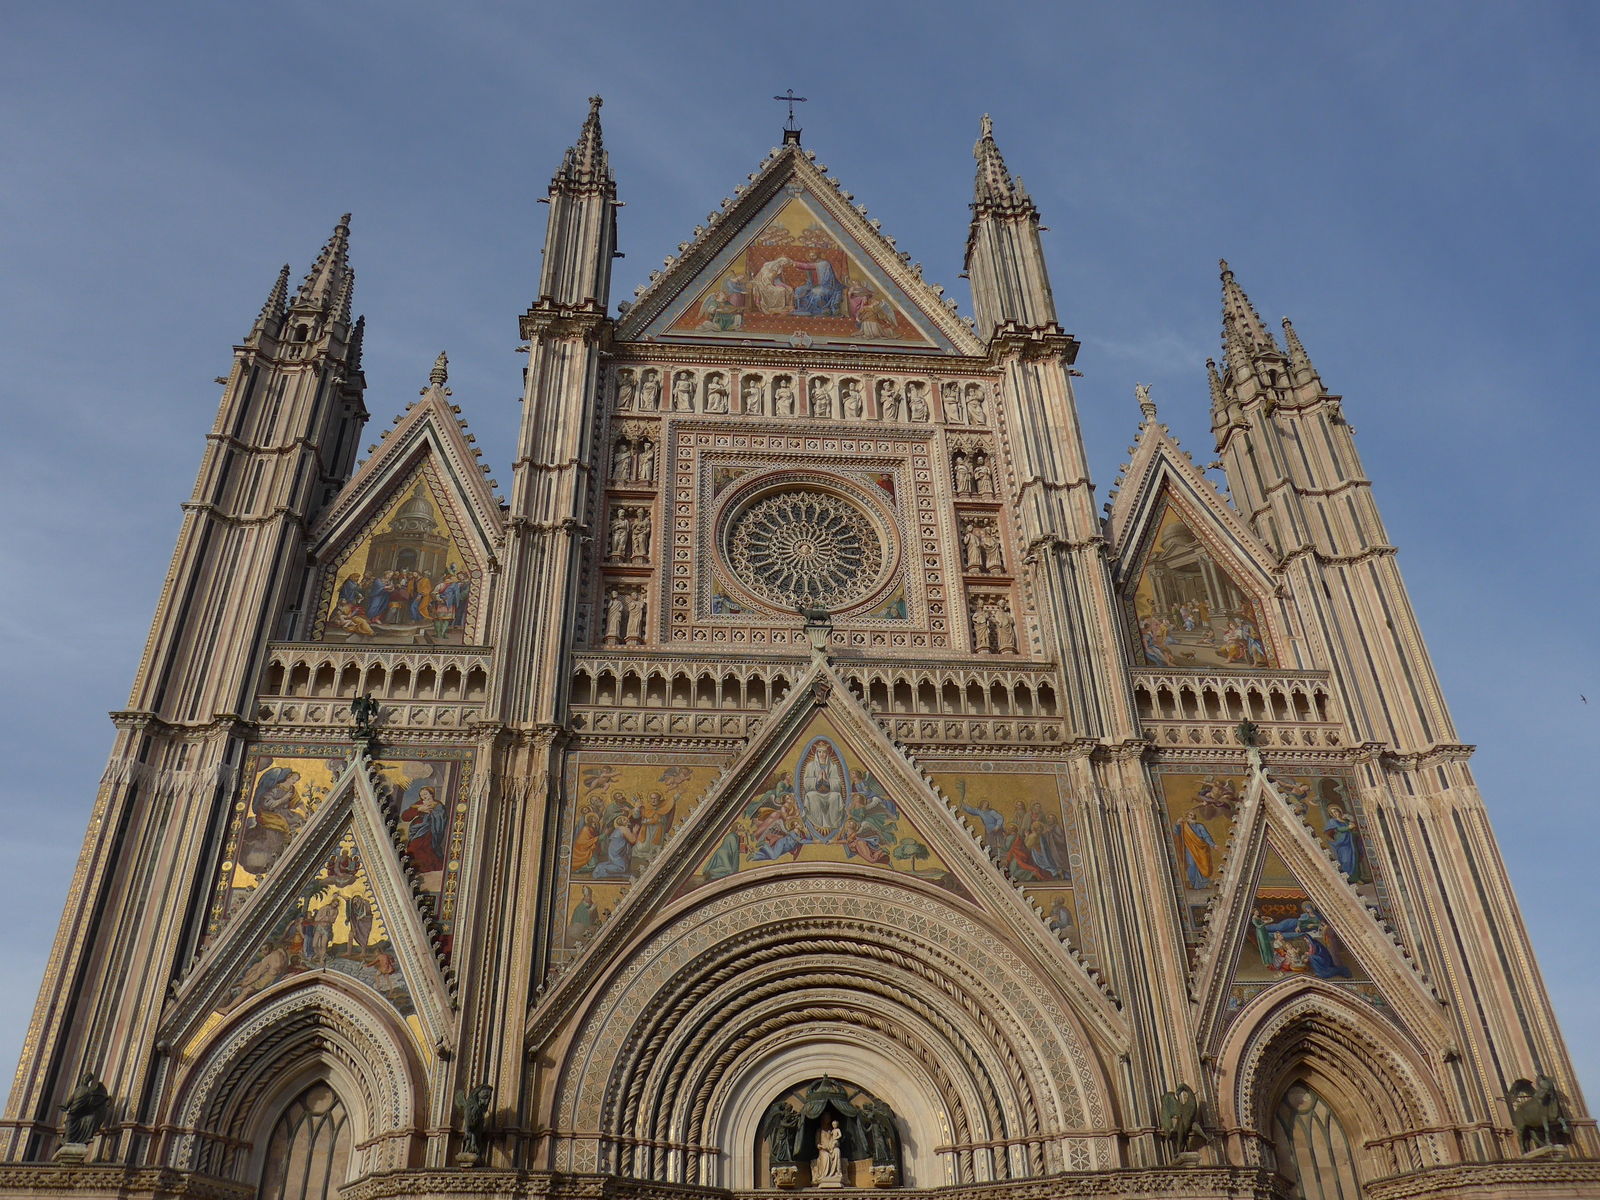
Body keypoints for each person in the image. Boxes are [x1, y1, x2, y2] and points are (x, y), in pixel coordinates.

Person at [403, 785, 449, 874]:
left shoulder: (437, 804)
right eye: (421, 795)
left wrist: (431, 814)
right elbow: (405, 816)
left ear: (431, 794)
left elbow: (441, 817)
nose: (423, 796)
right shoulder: (419, 804)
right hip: (417, 829)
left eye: (425, 794)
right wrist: (419, 810)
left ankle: (427, 867)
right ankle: (415, 867)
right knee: (414, 847)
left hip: (430, 830)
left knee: (425, 848)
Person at [1174, 808, 1217, 889]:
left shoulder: (1200, 826)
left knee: (1204, 865)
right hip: (1190, 849)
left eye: (1193, 815)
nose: (1192, 816)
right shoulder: (1184, 826)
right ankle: (1193, 883)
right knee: (1191, 865)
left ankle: (1204, 883)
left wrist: (1213, 844)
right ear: (1187, 817)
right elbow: (1177, 832)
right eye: (1190, 815)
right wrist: (1177, 824)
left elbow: (1206, 836)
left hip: (1202, 848)